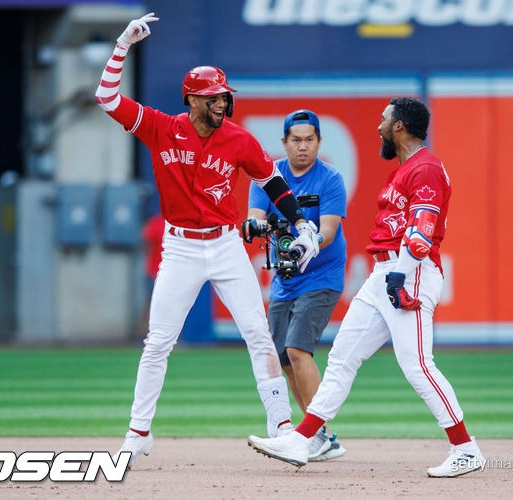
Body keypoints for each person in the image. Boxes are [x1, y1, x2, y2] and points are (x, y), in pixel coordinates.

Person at [94, 13, 320, 468]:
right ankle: (139, 432)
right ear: (193, 99)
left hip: (224, 245)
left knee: (258, 335)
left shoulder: (237, 139)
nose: (223, 103)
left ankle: (281, 428)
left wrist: (302, 224)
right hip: (180, 247)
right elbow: (106, 98)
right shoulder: (161, 127)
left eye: (225, 96)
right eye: (215, 97)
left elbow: (272, 180)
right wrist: (122, 45)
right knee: (158, 342)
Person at [247, 97, 486, 478]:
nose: (378, 126)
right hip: (384, 273)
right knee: (342, 357)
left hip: (410, 270)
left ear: (399, 127)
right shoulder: (406, 168)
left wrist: (399, 276)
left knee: (418, 366)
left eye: (384, 119)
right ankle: (306, 438)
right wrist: (388, 275)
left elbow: (422, 231)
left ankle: (465, 447)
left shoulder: (425, 168)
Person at [246, 110, 347, 462]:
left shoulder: (330, 178)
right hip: (285, 279)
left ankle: (317, 434)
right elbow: (255, 218)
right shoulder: (269, 176)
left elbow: (330, 232)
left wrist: (310, 240)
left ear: (319, 141)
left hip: (321, 275)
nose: (302, 146)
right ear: (285, 143)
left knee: (299, 350)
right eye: (296, 139)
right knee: (284, 358)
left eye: (309, 139)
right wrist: (256, 226)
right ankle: (321, 436)